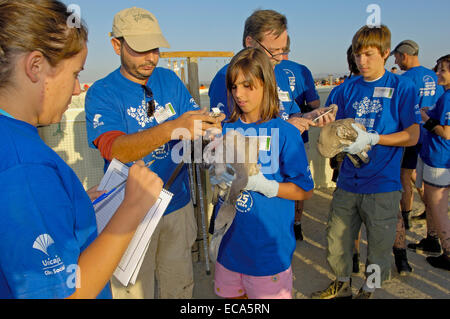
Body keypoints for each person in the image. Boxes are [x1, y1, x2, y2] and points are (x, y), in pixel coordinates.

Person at [0, 0, 163, 299]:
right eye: (75, 74)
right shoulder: (26, 166)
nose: (77, 89)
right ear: (35, 67)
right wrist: (133, 208)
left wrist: (72, 206)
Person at [84, 7, 224, 299]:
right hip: (129, 213)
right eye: (140, 49)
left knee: (180, 285)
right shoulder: (102, 92)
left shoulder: (168, 80)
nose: (151, 57)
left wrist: (210, 131)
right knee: (133, 292)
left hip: (178, 204)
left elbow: (192, 127)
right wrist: (172, 128)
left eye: (155, 48)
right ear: (116, 45)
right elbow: (115, 149)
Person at [311, 24, 421, 299]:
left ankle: (369, 288)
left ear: (385, 53)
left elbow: (413, 134)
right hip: (349, 181)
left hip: (383, 183)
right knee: (338, 238)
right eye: (358, 55)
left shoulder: (402, 87)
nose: (362, 61)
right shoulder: (344, 89)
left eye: (369, 54)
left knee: (379, 245)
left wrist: (374, 138)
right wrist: (325, 122)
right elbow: (332, 122)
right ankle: (343, 281)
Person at [213, 47, 314, 299]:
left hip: (268, 254)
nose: (239, 94)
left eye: (248, 86)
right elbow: (218, 181)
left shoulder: (286, 132)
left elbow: (305, 189)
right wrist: (220, 174)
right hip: (228, 248)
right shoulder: (224, 130)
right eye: (234, 86)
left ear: (266, 84)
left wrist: (265, 186)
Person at [208, 9, 334, 134]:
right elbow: (223, 135)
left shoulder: (280, 73)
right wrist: (281, 130)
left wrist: (307, 117)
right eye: (273, 51)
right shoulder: (226, 78)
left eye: (283, 50)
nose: (279, 58)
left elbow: (290, 114)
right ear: (250, 42)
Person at [392, 40, 445, 226]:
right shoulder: (435, 76)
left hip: (412, 135)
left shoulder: (404, 79)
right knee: (423, 178)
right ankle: (430, 211)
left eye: (397, 57)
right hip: (432, 138)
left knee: (405, 176)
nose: (396, 62)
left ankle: (406, 218)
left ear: (404, 55)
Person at [278, 36, 321, 241]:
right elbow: (314, 103)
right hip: (298, 134)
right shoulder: (301, 69)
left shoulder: (264, 68)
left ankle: (282, 225)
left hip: (273, 136)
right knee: (298, 180)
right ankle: (297, 224)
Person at [326, 45, 363, 274]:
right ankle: (400, 259)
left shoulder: (341, 90)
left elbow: (329, 131)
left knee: (349, 215)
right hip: (383, 170)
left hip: (348, 167)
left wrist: (335, 160)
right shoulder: (395, 86)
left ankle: (355, 258)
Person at [413, 54, 450, 271]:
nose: (437, 73)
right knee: (433, 205)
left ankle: (447, 253)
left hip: (439, 159)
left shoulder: (447, 98)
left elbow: (445, 132)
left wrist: (425, 118)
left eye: (442, 70)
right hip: (436, 157)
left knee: (437, 208)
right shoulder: (444, 95)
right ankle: (432, 239)